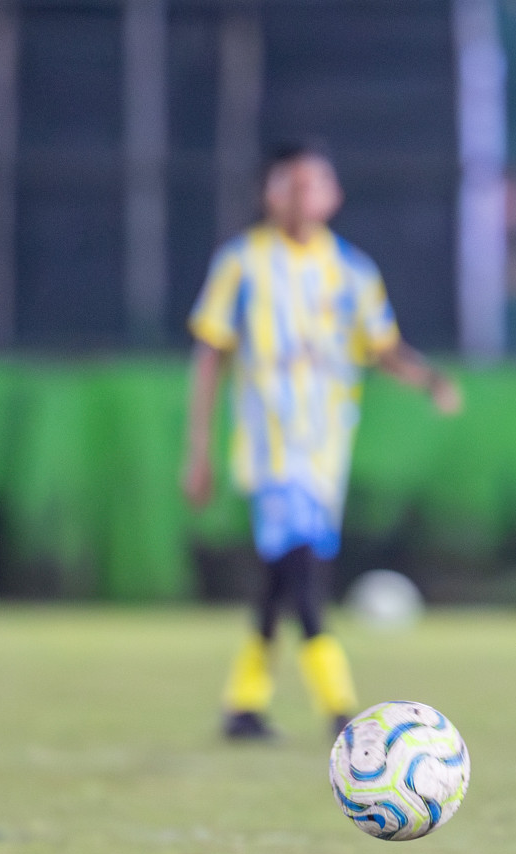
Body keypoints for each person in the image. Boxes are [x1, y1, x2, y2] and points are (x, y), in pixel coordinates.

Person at [182, 141, 461, 742]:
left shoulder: (353, 272)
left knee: (282, 575)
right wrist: (198, 449)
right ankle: (341, 710)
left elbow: (381, 348)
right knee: (305, 574)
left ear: (333, 195)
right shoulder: (242, 263)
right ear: (270, 193)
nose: (304, 194)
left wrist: (429, 379)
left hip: (326, 450)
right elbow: (210, 356)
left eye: (315, 183)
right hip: (271, 451)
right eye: (291, 183)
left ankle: (243, 705)